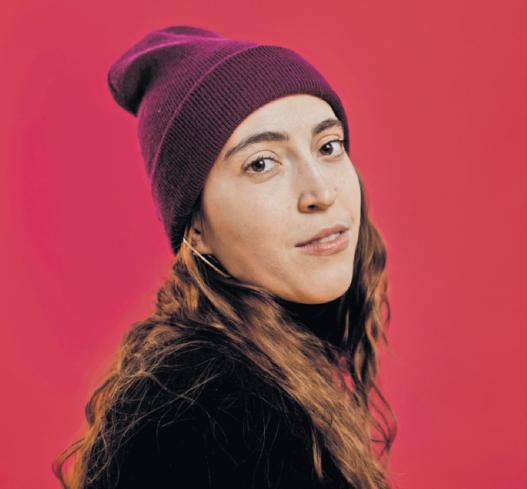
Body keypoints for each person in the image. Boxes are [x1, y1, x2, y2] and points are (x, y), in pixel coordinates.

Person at [52, 25, 397, 489]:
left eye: (328, 147)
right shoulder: (206, 413)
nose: (321, 192)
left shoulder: (272, 368)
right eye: (261, 163)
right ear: (196, 226)